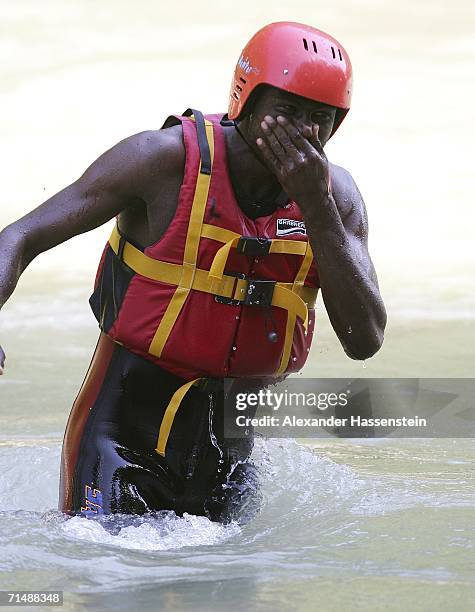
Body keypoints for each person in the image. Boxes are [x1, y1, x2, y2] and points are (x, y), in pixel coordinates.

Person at [0, 22, 386, 523]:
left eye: (319, 118)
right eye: (286, 112)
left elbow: (365, 338)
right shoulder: (161, 161)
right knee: (110, 579)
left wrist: (316, 207)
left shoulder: (336, 200)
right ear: (245, 102)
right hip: (116, 437)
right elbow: (20, 237)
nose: (301, 132)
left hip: (229, 456)